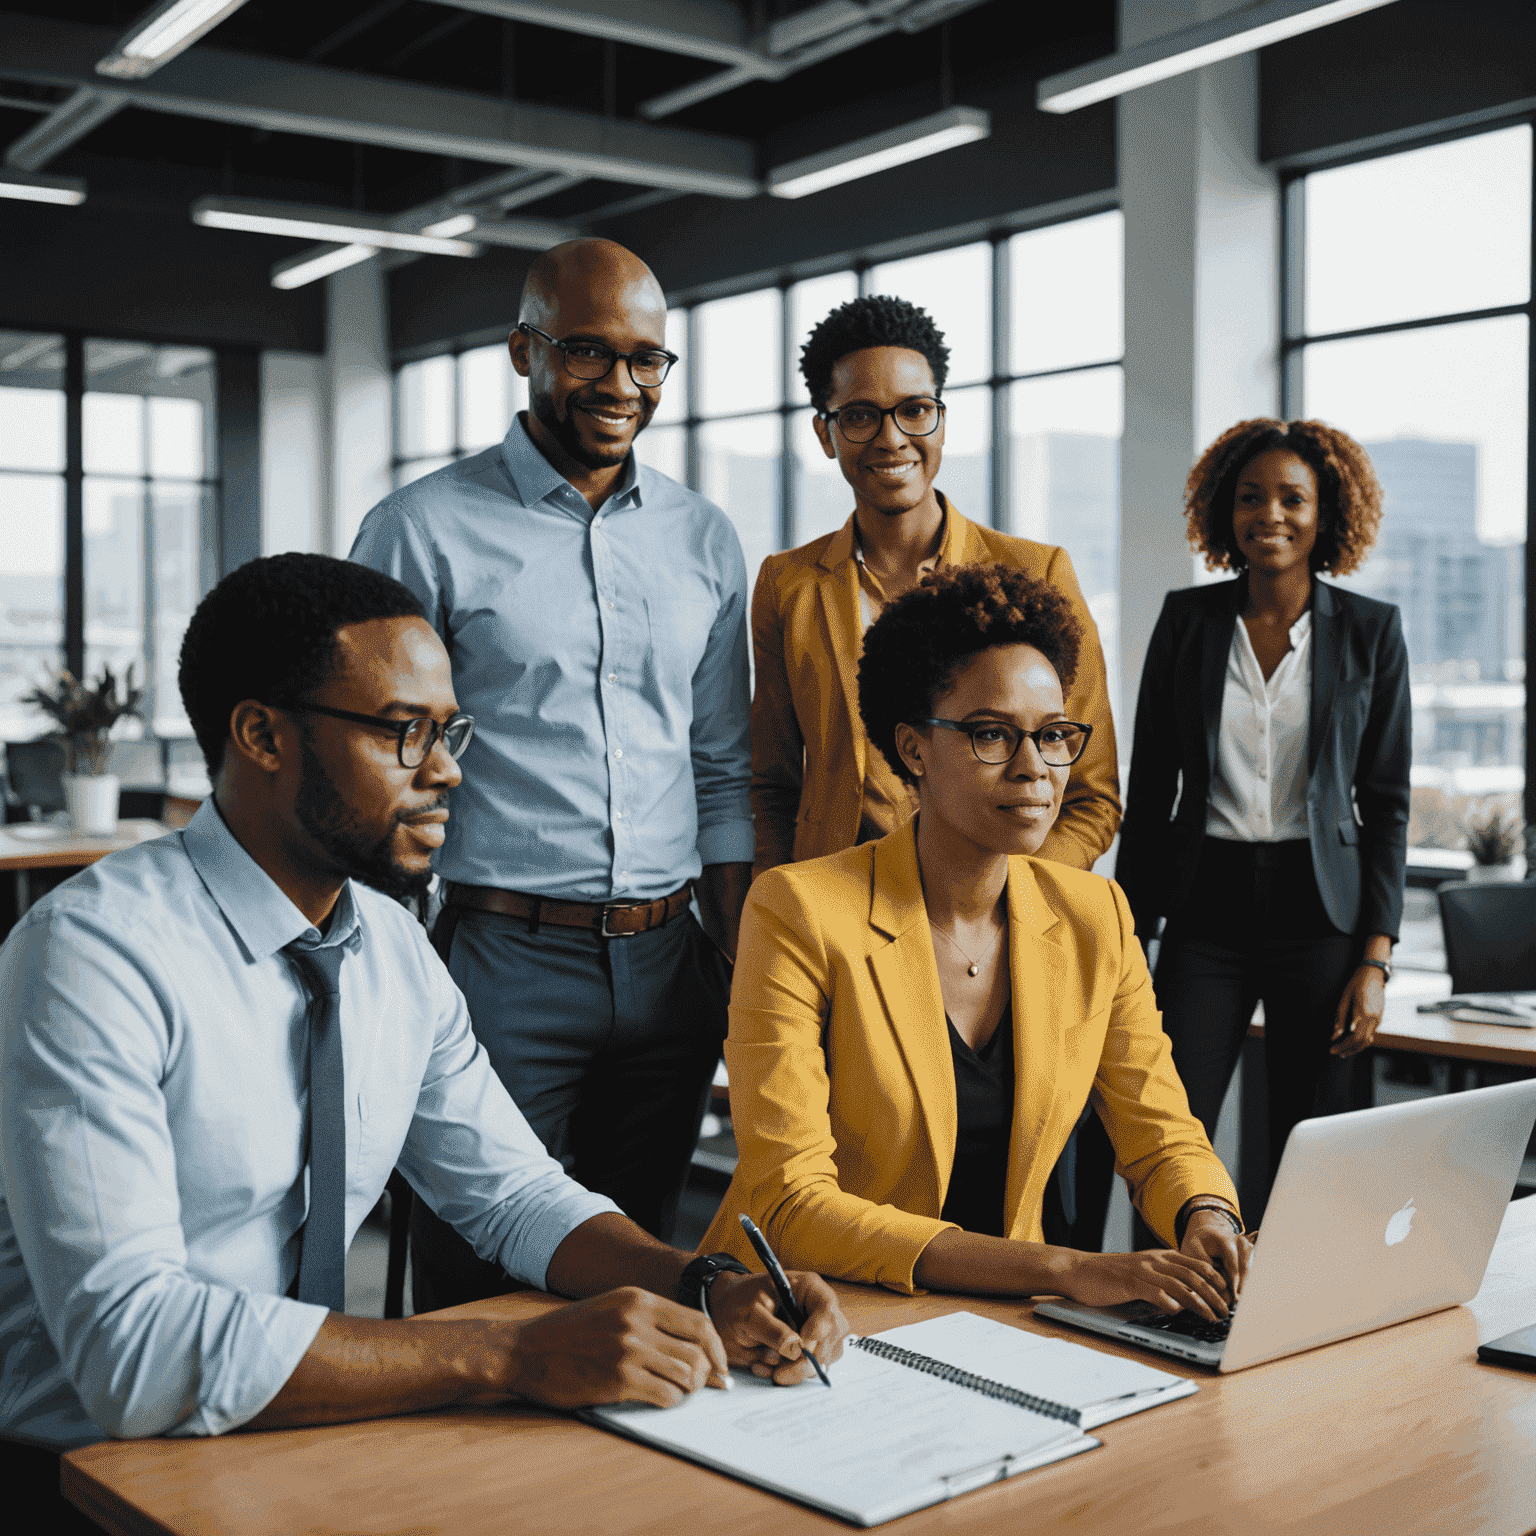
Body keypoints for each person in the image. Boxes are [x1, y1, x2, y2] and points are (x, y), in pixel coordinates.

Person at [0, 555, 844, 1526]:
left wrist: (705, 1285)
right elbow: (132, 1352)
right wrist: (509, 1354)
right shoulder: (92, 955)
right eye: (405, 733)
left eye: (452, 732)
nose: (446, 770)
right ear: (261, 734)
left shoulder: (391, 947)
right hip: (80, 1475)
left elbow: (514, 1195)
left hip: (307, 1437)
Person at [351, 239, 753, 1309]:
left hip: (672, 964)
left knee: (638, 1275)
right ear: (524, 350)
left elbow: (720, 768)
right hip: (498, 961)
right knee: (478, 1276)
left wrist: (737, 960)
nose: (621, 384)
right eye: (588, 351)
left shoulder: (705, 540)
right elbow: (375, 770)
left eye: (647, 360)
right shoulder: (419, 529)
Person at [701, 562, 1249, 1314]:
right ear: (914, 748)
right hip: (807, 1313)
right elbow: (791, 1202)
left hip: (995, 1317)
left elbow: (1162, 1137)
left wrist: (1206, 1214)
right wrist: (1060, 1268)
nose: (1034, 769)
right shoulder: (798, 910)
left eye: (1054, 736)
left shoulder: (1095, 917)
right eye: (992, 735)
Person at [748, 294, 1122, 1250]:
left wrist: (1010, 905)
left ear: (943, 421)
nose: (891, 436)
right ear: (825, 432)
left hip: (995, 951)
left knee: (1014, 1200)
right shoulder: (790, 585)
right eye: (860, 414)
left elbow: (1088, 791)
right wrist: (760, 924)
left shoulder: (1033, 570)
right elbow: (773, 781)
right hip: (839, 953)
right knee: (840, 1210)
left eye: (914, 409)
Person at [1115, 419, 1410, 1182]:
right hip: (1204, 908)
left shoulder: (1371, 632)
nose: (1269, 515)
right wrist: (1128, 938)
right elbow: (1148, 793)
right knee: (1168, 1126)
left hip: (1322, 917)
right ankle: (1167, 1297)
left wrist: (1375, 960)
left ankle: (1307, 1301)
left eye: (1291, 498)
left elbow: (1386, 803)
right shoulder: (1188, 621)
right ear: (1225, 511)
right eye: (1250, 498)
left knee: (1314, 1145)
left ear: (1327, 512)